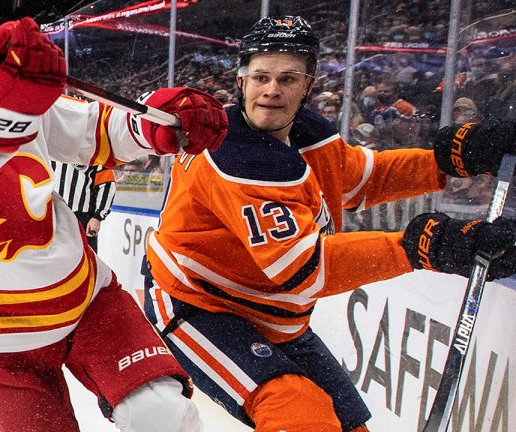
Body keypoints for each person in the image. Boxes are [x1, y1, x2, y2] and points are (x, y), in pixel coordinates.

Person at [0, 2, 227, 431]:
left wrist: (156, 124)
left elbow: (97, 131)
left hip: (86, 304)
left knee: (163, 416)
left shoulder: (8, 96)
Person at [143, 15, 516, 432]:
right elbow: (302, 268)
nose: (271, 90)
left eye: (288, 78)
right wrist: (420, 248)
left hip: (279, 318)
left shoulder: (307, 133)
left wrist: (448, 163)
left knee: (348, 427)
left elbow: (359, 180)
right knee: (297, 410)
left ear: (308, 84)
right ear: (241, 81)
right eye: (261, 77)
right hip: (200, 305)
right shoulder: (234, 154)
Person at [51, 161, 116, 252]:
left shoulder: (93, 154)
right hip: (52, 216)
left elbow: (107, 185)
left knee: (85, 259)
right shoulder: (51, 152)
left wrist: (97, 217)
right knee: (54, 259)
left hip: (82, 218)